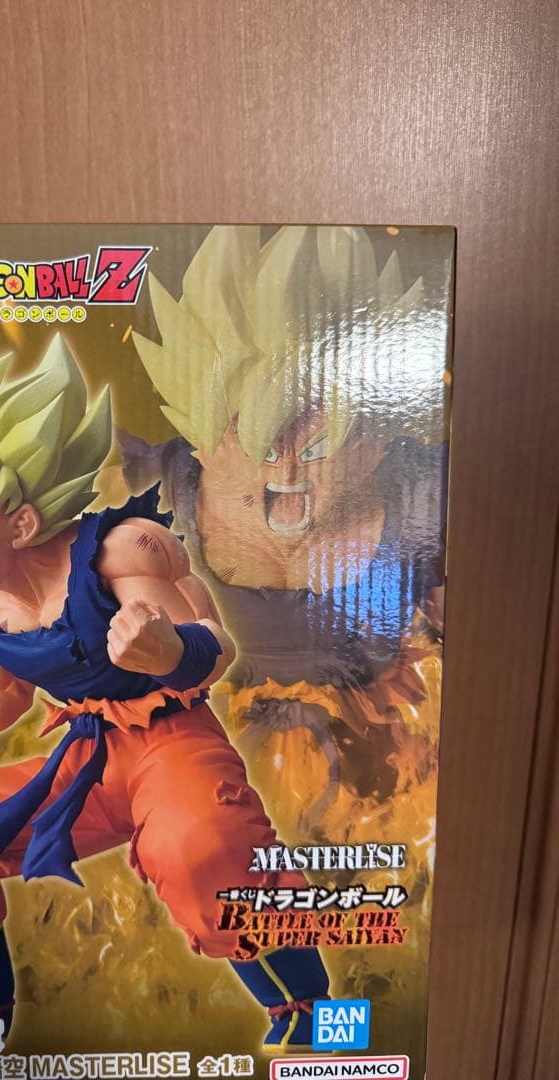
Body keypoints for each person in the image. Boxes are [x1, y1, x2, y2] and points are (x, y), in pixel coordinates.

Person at [0, 333, 329, 1052]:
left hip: (172, 740)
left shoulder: (120, 552)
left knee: (203, 849)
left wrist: (169, 650)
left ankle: (311, 1016)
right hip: (87, 758)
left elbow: (214, 645)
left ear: (21, 521)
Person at [125, 225, 447, 824]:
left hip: (387, 777)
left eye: (319, 445)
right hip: (210, 771)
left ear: (373, 442)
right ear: (205, 444)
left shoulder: (431, 491)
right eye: (263, 446)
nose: (288, 470)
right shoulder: (151, 485)